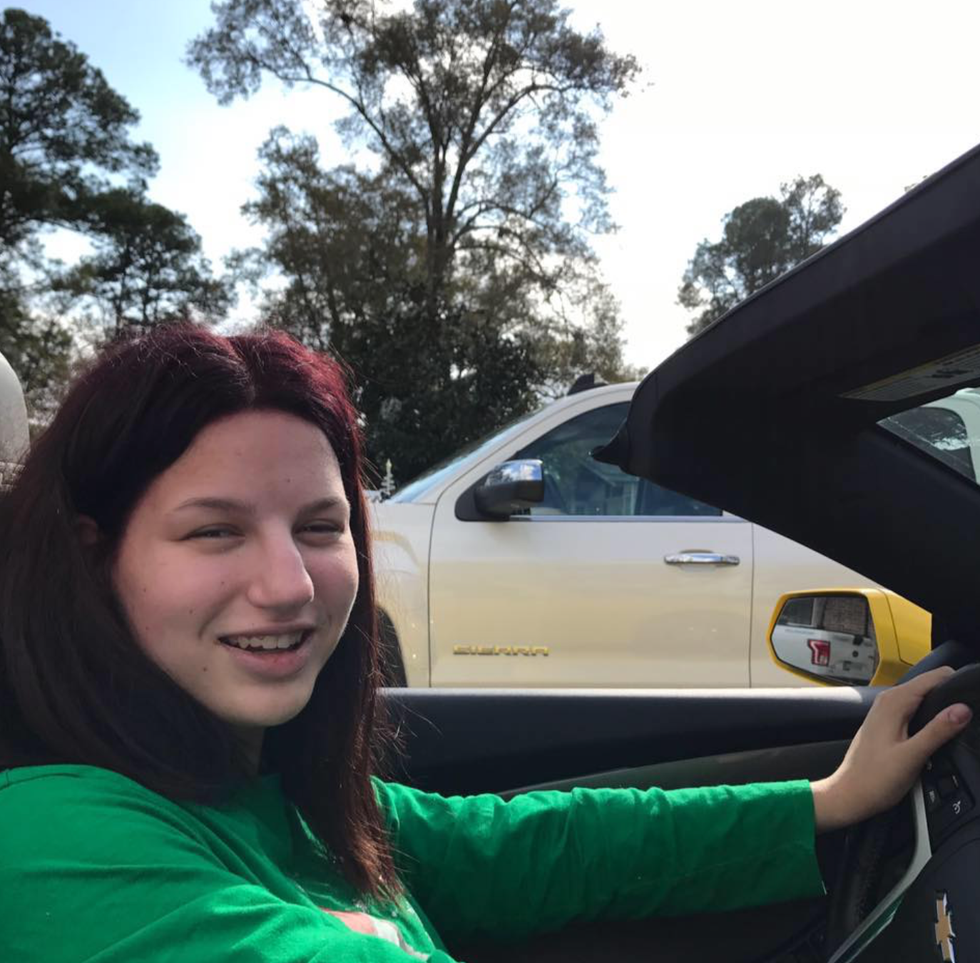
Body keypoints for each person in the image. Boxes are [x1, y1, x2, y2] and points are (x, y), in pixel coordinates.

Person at [0, 325, 970, 963]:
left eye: (319, 526)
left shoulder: (268, 788)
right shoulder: (47, 845)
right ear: (92, 556)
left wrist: (826, 800)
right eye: (214, 530)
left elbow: (527, 847)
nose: (289, 584)